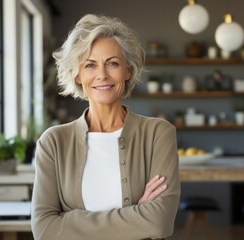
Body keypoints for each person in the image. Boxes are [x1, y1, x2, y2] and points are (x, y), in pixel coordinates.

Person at [31, 14, 180, 240]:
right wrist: (137, 217)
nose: (102, 75)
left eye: (112, 63)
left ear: (128, 70)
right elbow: (44, 229)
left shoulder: (158, 134)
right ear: (77, 74)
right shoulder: (53, 142)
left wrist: (70, 221)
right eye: (90, 65)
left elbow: (159, 222)